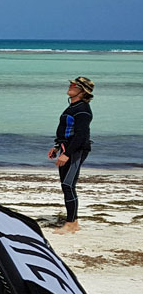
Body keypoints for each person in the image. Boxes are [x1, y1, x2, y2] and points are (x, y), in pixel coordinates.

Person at [47, 76, 94, 234]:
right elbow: (66, 131)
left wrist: (66, 154)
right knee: (65, 186)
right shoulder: (73, 107)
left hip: (76, 151)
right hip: (66, 149)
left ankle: (71, 223)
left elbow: (80, 136)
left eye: (74, 85)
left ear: (82, 91)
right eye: (71, 84)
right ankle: (72, 221)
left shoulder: (83, 110)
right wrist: (57, 147)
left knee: (68, 185)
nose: (70, 86)